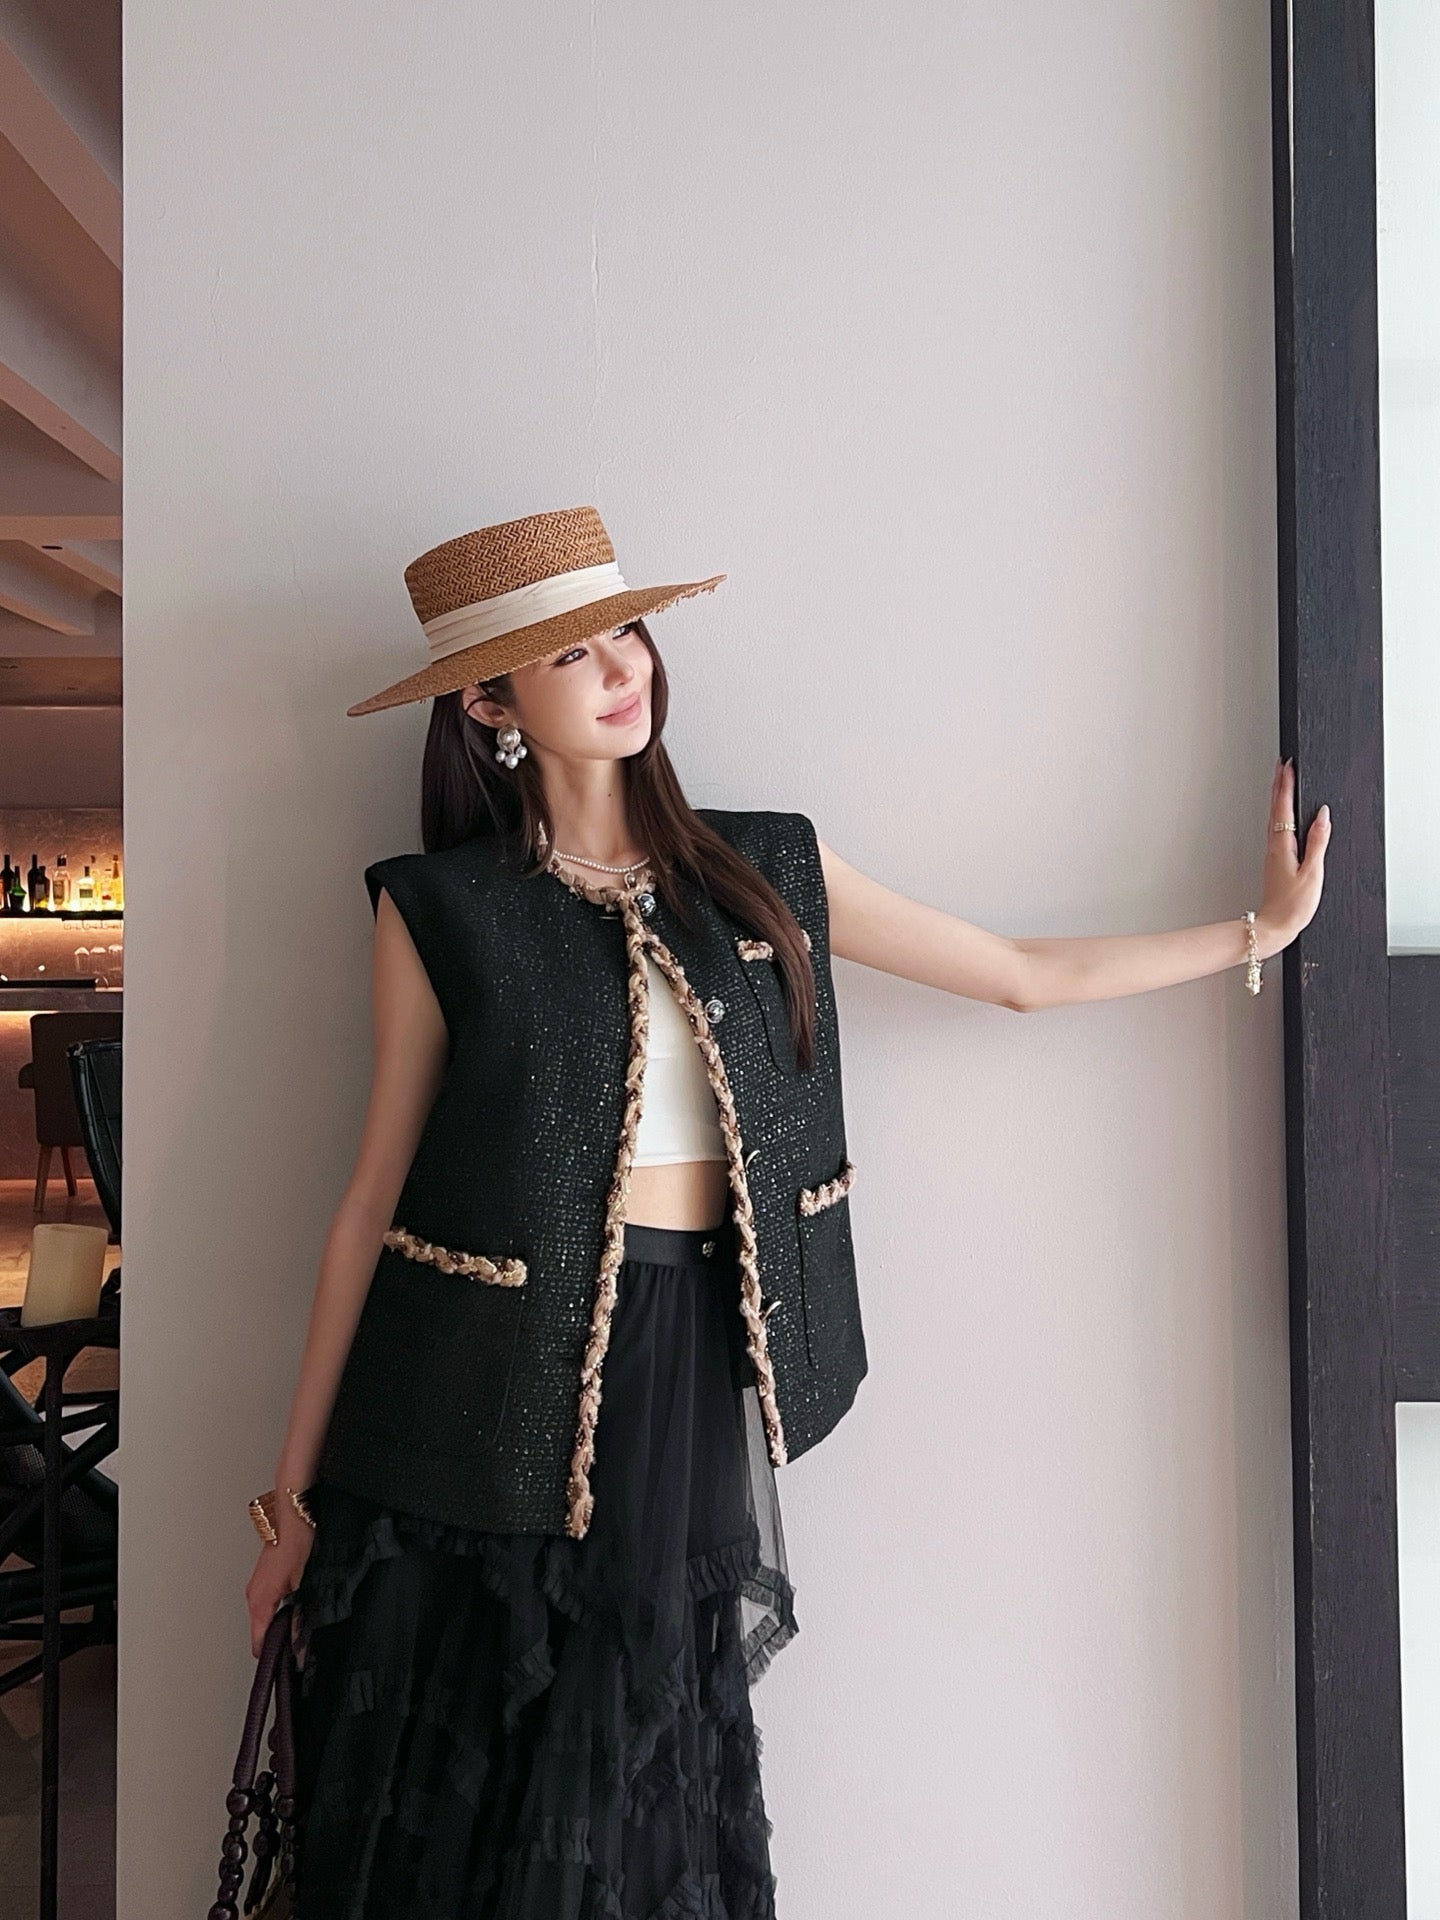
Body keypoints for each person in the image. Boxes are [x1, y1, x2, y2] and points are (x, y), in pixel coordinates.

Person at [243, 506, 1330, 1918]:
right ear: (488, 704)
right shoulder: (441, 908)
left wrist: (1255, 933)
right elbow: (369, 1204)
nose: (622, 668)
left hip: (679, 1355)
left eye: (626, 633)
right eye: (570, 654)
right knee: (485, 1765)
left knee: (636, 1742)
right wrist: (288, 1501)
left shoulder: (762, 868)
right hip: (469, 1387)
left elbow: (1017, 972)